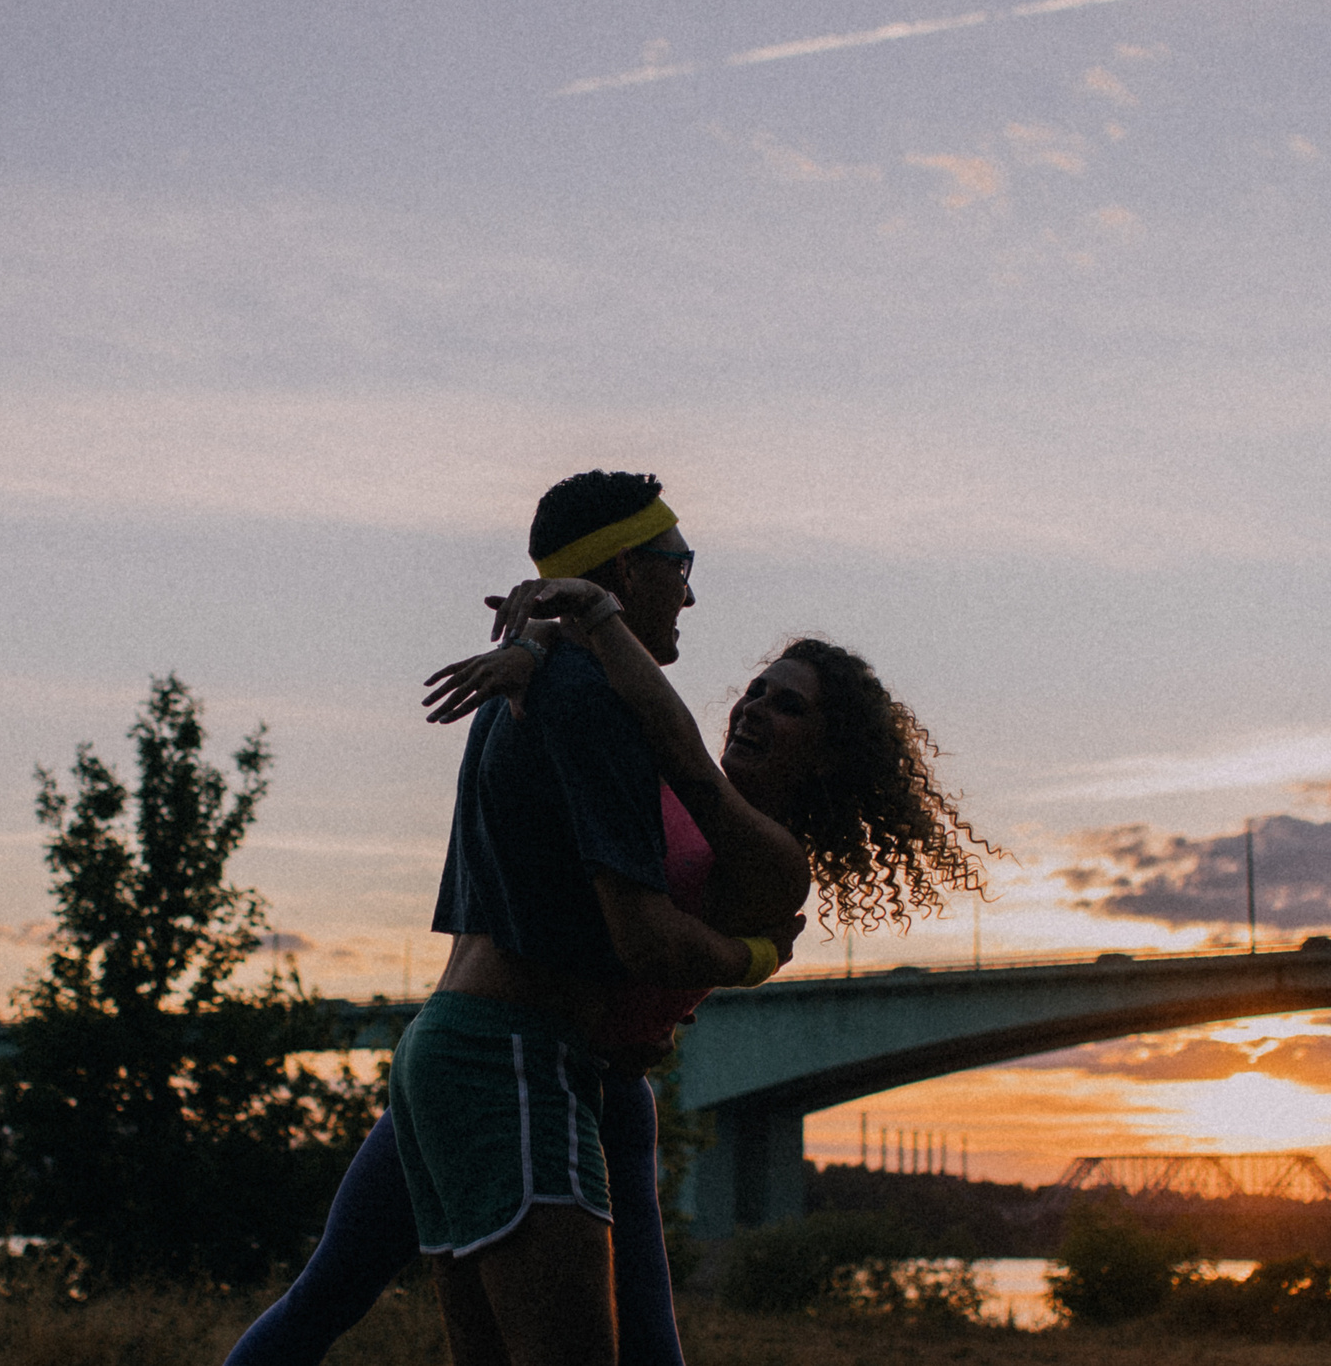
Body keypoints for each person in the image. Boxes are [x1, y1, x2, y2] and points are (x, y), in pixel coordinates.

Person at [225, 474, 989, 1366]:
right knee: (336, 1291)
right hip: (515, 1056)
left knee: (631, 1343)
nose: (753, 707)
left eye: (789, 706)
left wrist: (578, 625)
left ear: (830, 755)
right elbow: (648, 753)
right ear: (630, 569)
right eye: (755, 690)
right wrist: (547, 643)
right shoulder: (636, 749)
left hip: (572, 1074)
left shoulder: (766, 853)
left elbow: (673, 794)